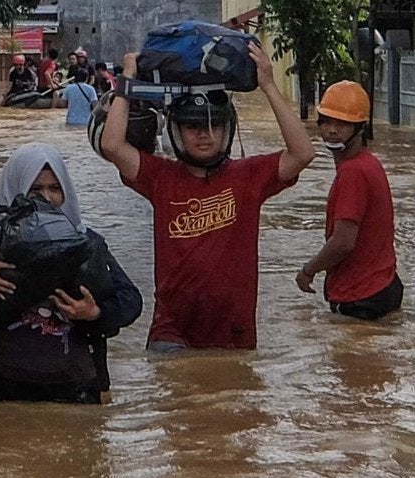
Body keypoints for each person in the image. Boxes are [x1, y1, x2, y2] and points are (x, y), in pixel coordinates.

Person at [96, 38, 315, 352]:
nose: (204, 135)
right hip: (171, 331)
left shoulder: (249, 176)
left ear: (228, 131)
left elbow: (303, 153)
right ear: (176, 131)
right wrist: (126, 81)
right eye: (193, 126)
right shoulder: (161, 176)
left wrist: (268, 86)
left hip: (233, 333)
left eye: (214, 126)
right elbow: (112, 146)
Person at [0, 143, 142, 405]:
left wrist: (94, 313)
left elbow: (130, 301)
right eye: (35, 189)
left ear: (67, 192)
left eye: (55, 189)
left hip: (73, 389)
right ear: (16, 189)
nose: (47, 198)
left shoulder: (87, 243)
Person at [297, 81, 403, 320]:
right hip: (385, 286)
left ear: (360, 128)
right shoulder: (370, 163)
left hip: (360, 298)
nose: (332, 130)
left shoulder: (352, 172)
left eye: (343, 124)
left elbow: (343, 242)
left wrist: (308, 270)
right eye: (326, 121)